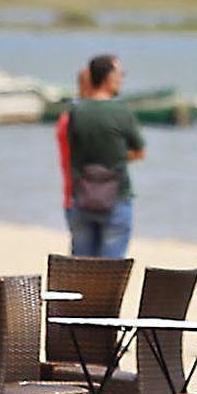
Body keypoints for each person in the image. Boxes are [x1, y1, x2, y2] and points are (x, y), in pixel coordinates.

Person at [64, 54, 144, 258]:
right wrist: (119, 158)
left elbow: (72, 148)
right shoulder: (121, 111)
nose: (122, 78)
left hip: (82, 195)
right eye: (120, 74)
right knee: (111, 272)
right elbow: (139, 151)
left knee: (81, 269)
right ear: (109, 77)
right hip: (116, 196)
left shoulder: (76, 112)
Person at [55, 66, 92, 238]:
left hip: (75, 196)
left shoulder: (67, 119)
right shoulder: (73, 120)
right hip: (83, 197)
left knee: (80, 258)